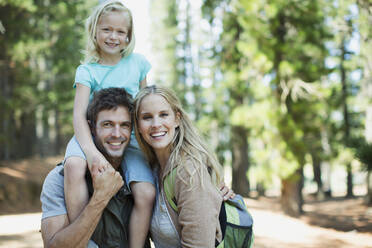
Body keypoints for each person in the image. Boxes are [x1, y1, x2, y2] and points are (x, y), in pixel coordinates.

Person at [63, 1, 155, 247]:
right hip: (93, 136)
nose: (113, 36)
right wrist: (92, 155)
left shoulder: (138, 64)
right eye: (107, 30)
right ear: (95, 31)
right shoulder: (87, 71)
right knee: (73, 166)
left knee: (146, 193)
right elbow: (79, 117)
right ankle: (82, 239)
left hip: (130, 138)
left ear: (128, 36)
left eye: (120, 31)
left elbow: (146, 108)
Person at [41, 88, 152, 248]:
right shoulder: (60, 179)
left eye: (124, 125)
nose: (116, 133)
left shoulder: (143, 177)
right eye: (107, 124)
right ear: (91, 128)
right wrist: (100, 197)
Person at [133, 85, 228, 247]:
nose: (156, 124)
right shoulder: (151, 170)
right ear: (138, 126)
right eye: (147, 117)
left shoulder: (189, 171)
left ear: (177, 119)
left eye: (163, 115)